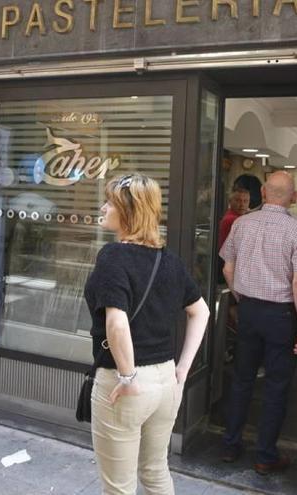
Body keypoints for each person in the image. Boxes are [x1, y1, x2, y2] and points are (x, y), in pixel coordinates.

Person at [84, 173, 209, 495]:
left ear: (127, 211)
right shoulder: (170, 261)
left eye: (109, 202)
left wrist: (127, 377)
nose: (103, 207)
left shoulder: (113, 256)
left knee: (119, 487)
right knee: (155, 472)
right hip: (166, 381)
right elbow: (201, 311)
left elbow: (117, 323)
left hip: (126, 385)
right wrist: (182, 369)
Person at [219, 171, 297, 475]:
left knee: (242, 379)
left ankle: (230, 445)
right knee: (276, 386)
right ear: (293, 196)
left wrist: (241, 296)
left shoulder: (242, 223)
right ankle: (264, 455)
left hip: (248, 311)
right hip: (280, 316)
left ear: (262, 191)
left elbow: (227, 268)